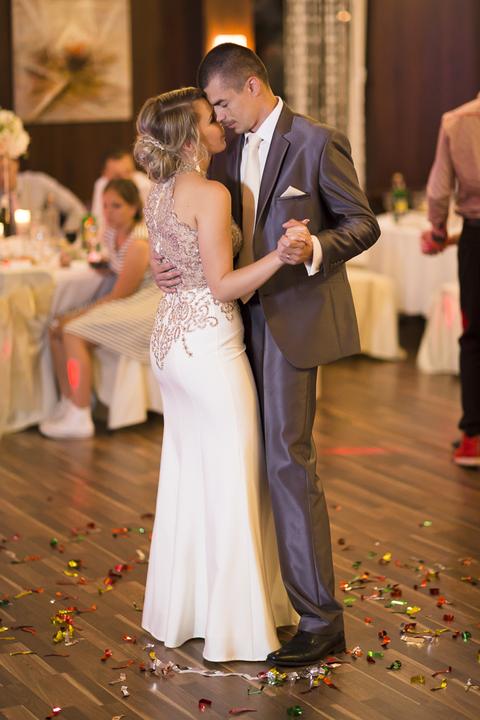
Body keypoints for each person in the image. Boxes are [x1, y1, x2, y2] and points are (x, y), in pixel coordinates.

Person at [152, 44, 380, 666]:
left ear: (252, 86)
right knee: (243, 463)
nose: (219, 118)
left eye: (223, 103)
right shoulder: (222, 152)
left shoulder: (317, 142)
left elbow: (363, 223)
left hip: (289, 323)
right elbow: (200, 229)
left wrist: (313, 247)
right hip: (228, 326)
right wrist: (163, 266)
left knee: (285, 460)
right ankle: (252, 603)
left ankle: (321, 619)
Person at [135, 86, 297, 663]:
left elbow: (165, 258)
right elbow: (224, 285)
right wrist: (280, 255)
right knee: (233, 477)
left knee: (188, 475)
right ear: (188, 139)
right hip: (207, 345)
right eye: (208, 119)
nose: (219, 124)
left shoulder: (159, 191)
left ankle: (185, 612)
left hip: (170, 343)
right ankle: (235, 625)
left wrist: (160, 268)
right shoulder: (210, 192)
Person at [40, 179, 158, 439]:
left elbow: (120, 294)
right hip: (127, 297)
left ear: (133, 207)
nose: (108, 212)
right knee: (54, 328)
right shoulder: (111, 234)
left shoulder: (139, 243)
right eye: (105, 205)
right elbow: (113, 265)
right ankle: (70, 400)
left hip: (145, 302)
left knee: (72, 331)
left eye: (116, 206)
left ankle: (81, 416)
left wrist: (77, 315)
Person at [421, 92, 480, 467]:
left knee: (474, 336)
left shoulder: (457, 121)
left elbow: (439, 188)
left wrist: (439, 231)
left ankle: (474, 437)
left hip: (476, 237)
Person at [0, 157, 86, 236]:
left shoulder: (38, 183)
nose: (2, 176)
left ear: (16, 165)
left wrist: (66, 237)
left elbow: (76, 209)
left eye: (6, 169)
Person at [91, 149, 151, 228]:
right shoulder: (101, 184)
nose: (125, 180)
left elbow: (149, 223)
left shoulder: (145, 185)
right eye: (118, 176)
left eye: (128, 172)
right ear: (105, 174)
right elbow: (97, 220)